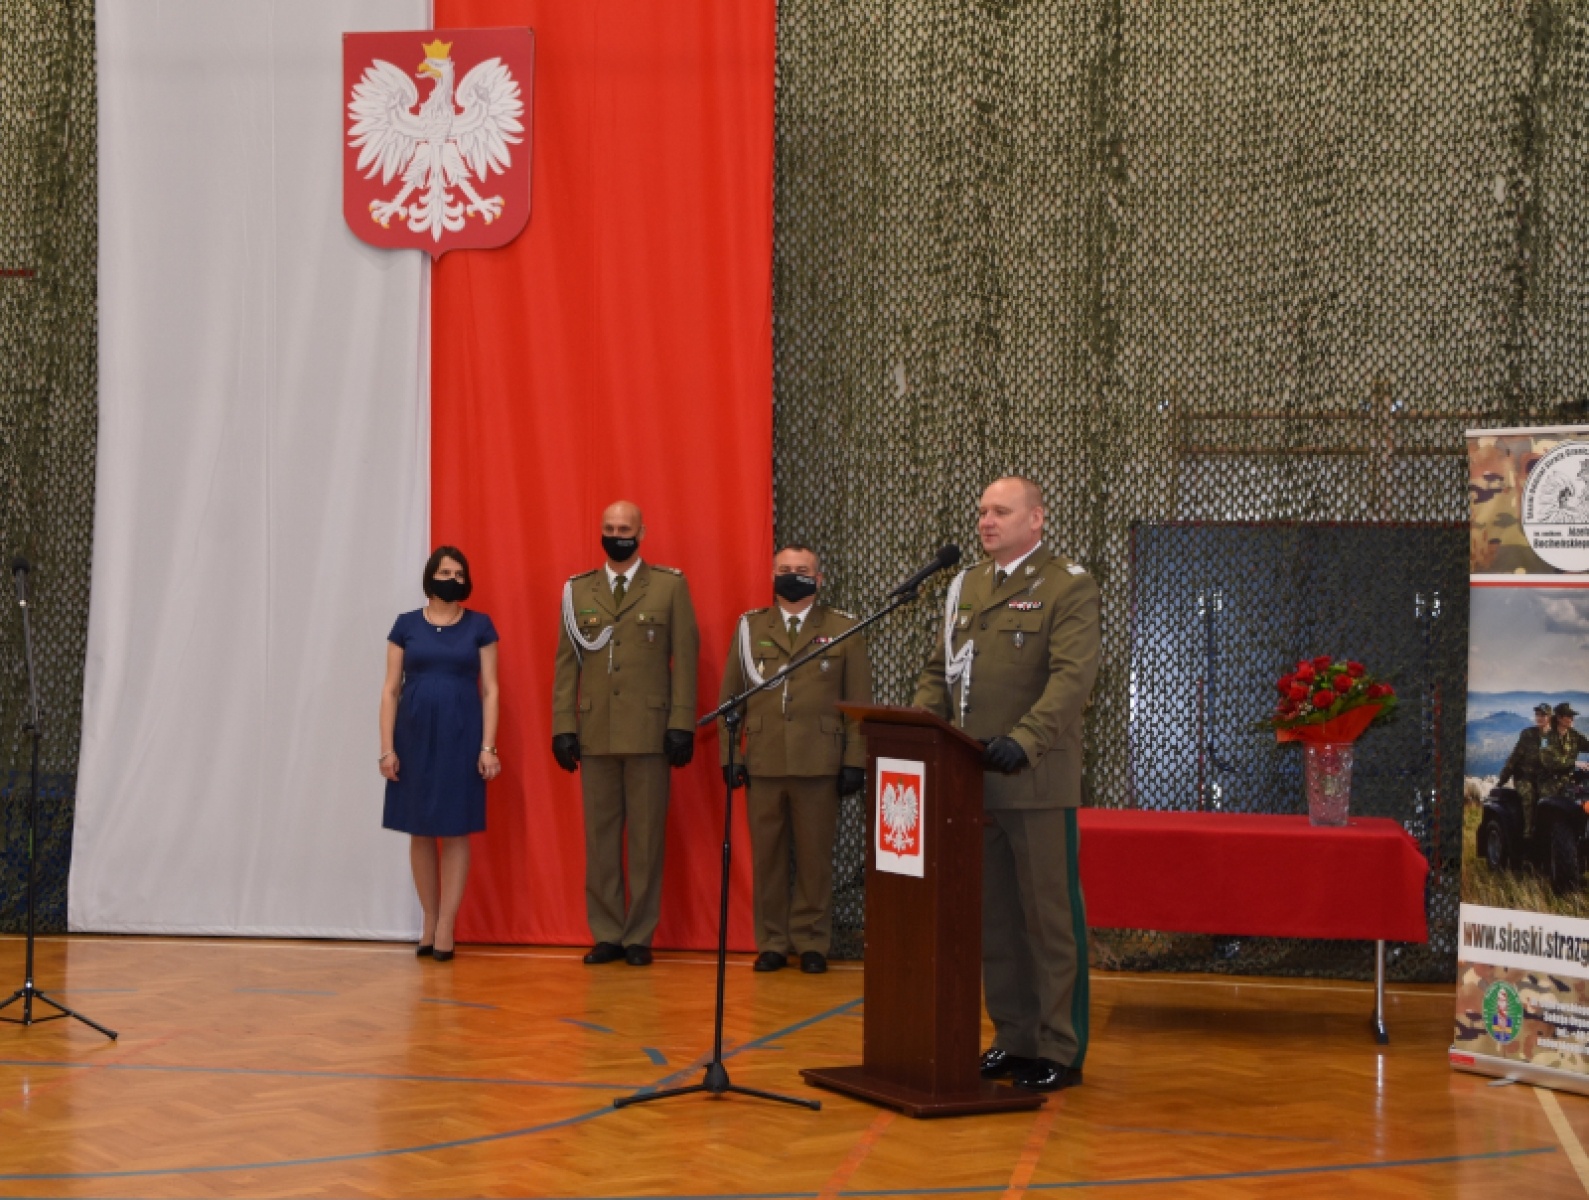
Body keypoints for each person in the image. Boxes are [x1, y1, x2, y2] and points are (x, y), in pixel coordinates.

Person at [911, 475, 1099, 1093]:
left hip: (1035, 778)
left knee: (1047, 919)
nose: (986, 521)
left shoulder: (1067, 584)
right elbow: (938, 670)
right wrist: (922, 729)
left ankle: (1059, 1047)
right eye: (982, 510)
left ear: (1037, 518)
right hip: (973, 781)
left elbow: (1072, 680)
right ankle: (1014, 1037)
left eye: (1001, 511)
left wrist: (1024, 738)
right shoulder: (965, 586)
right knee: (995, 920)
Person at [551, 501, 699, 967]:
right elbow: (564, 665)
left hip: (650, 732)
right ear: (600, 531)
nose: (618, 535)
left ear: (642, 532)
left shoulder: (669, 586)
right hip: (596, 733)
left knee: (646, 840)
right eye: (610, 528)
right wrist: (563, 725)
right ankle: (607, 932)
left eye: (626, 528)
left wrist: (681, 722)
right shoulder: (578, 591)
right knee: (600, 840)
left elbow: (686, 660)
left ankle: (639, 934)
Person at [717, 545, 872, 975]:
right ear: (772, 575)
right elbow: (731, 698)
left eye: (802, 571)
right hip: (764, 759)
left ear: (819, 580)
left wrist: (854, 761)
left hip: (819, 760)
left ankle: (811, 941)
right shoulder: (750, 628)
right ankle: (772, 941)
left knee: (814, 858)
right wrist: (730, 754)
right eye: (784, 570)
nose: (792, 576)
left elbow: (859, 703)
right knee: (766, 857)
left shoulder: (843, 629)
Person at [379, 546, 501, 963]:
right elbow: (390, 689)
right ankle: (428, 919)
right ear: (430, 576)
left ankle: (448, 921)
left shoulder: (480, 625)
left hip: (461, 734)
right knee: (419, 829)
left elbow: (490, 689)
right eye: (444, 571)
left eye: (459, 572)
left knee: (455, 830)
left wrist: (488, 746)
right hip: (413, 736)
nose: (451, 578)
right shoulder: (405, 625)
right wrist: (386, 748)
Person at [1498, 703, 1551, 837]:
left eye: (1543, 715)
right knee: (1529, 797)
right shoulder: (1528, 734)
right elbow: (1514, 757)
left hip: (1544, 778)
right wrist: (1502, 779)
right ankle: (1528, 834)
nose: (1539, 718)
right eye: (1537, 715)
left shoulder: (1554, 737)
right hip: (1524, 777)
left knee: (1550, 798)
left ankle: (1547, 832)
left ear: (1550, 717)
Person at [1540, 702, 1589, 802]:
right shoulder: (1545, 738)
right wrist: (1574, 763)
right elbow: (1548, 761)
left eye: (1572, 716)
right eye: (1569, 716)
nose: (1572, 719)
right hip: (1550, 783)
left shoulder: (1574, 735)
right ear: (1559, 718)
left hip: (1569, 780)